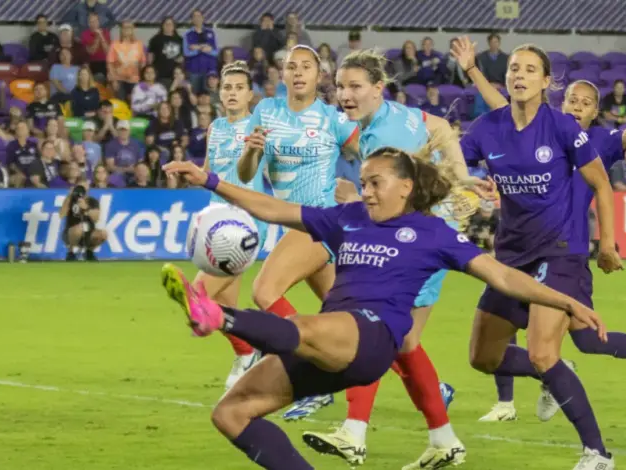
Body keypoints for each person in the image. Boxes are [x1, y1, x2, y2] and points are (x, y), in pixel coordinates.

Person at [159, 144, 608, 470]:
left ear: (405, 187)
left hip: (372, 338)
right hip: (329, 344)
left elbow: (504, 277)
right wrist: (211, 181)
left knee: (305, 325)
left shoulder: (433, 233)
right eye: (364, 183)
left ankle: (217, 316)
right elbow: (273, 209)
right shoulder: (349, 217)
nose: (367, 192)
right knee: (230, 413)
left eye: (376, 183)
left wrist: (565, 301)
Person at [452, 37, 626, 424]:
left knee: (583, 338)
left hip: (567, 250)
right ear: (561, 102)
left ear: (596, 111)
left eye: (586, 103)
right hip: (528, 246)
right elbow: (504, 107)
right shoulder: (545, 127)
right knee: (515, 322)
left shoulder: (601, 141)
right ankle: (511, 398)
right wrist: (472, 70)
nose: (578, 106)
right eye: (573, 101)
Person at [301, 49, 493, 469]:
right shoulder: (393, 116)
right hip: (428, 235)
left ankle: (353, 432)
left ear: (377, 88)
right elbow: (440, 126)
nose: (345, 95)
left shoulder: (384, 140)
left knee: (373, 328)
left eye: (355, 87)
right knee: (403, 342)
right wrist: (462, 175)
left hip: (414, 241)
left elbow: (394, 201)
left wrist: (352, 199)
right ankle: (443, 440)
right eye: (341, 87)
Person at [449, 40, 623, 470]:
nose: (519, 75)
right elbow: (454, 170)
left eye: (529, 69)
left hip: (559, 252)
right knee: (483, 358)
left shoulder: (562, 127)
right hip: (511, 257)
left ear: (546, 81)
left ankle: (598, 453)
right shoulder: (487, 128)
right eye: (514, 68)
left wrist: (606, 244)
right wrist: (462, 188)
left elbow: (601, 184)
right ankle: (559, 372)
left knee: (543, 352)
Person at [236, 44, 360, 419]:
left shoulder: (333, 119)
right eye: (292, 66)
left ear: (319, 75)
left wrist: (360, 191)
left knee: (264, 290)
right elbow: (245, 173)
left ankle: (307, 367)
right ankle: (427, 382)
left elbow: (371, 155)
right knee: (351, 319)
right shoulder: (266, 111)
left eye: (306, 66)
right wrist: (251, 152)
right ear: (283, 74)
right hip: (293, 225)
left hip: (320, 220)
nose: (299, 72)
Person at [186, 61, 266, 390]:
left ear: (250, 95)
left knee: (197, 295)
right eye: (227, 88)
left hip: (242, 224)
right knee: (225, 306)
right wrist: (191, 174)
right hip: (214, 221)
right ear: (220, 94)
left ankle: (272, 349)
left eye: (239, 88)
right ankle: (247, 352)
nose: (232, 93)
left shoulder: (258, 128)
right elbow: (208, 172)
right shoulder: (215, 128)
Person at [59, 181, 107, 261]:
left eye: (84, 188)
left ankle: (89, 252)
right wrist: (69, 197)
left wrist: (86, 208)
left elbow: (96, 218)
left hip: (88, 233)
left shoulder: (92, 201)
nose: (81, 191)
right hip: (71, 233)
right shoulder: (70, 200)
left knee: (103, 234)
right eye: (79, 187)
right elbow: (61, 215)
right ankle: (71, 252)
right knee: (78, 229)